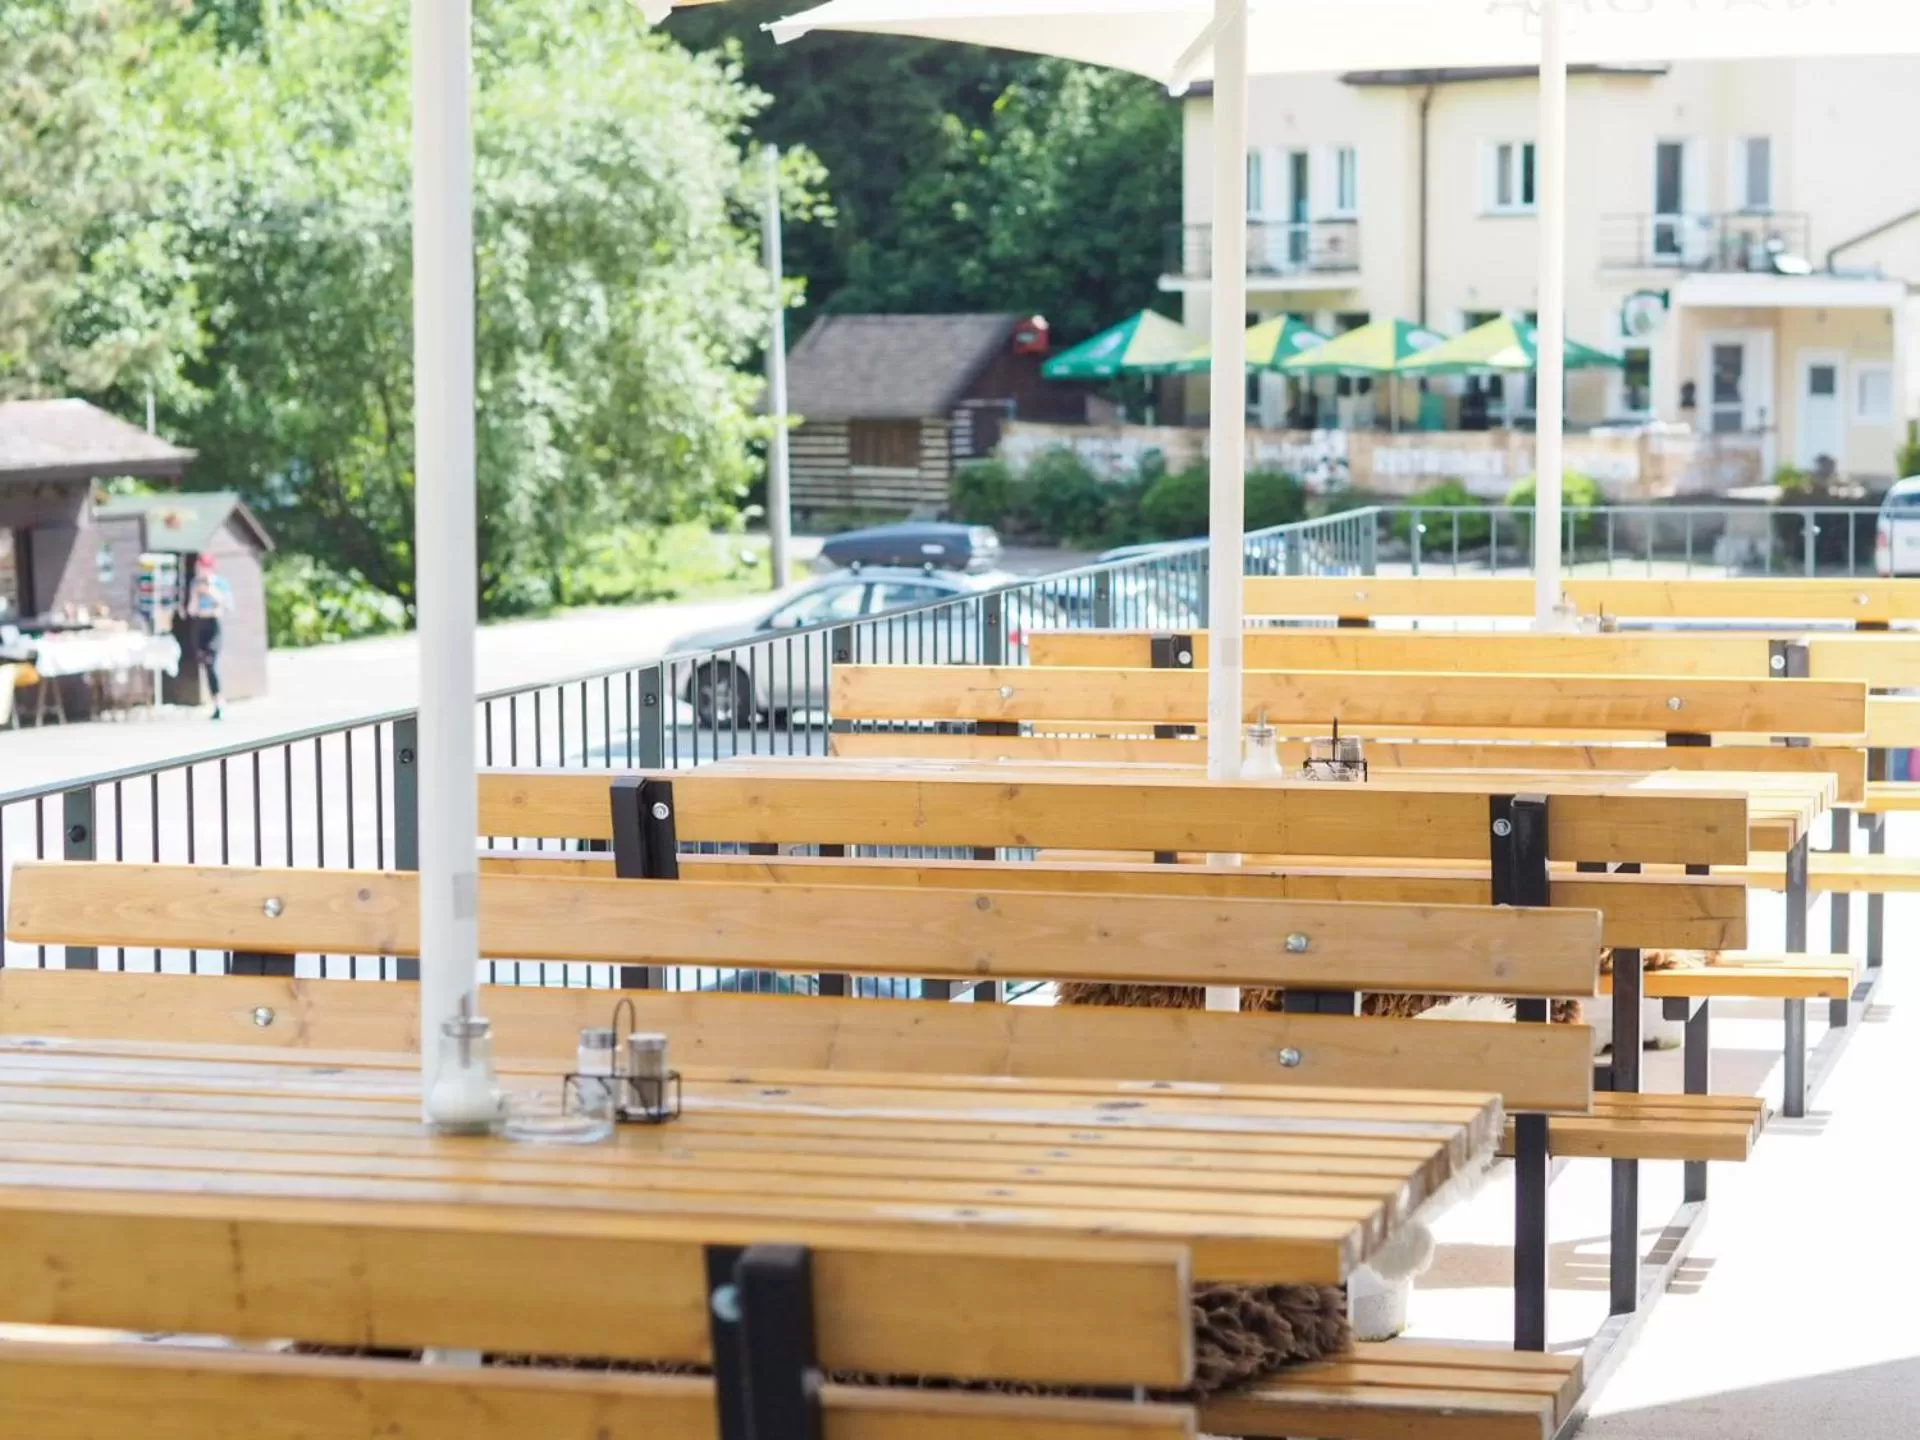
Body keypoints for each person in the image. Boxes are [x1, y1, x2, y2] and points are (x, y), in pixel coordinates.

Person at [187, 554, 235, 719]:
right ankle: (216, 701)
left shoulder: (220, 583)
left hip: (213, 623)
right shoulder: (195, 583)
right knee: (205, 664)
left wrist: (211, 592)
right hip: (200, 623)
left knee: (211, 662)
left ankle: (219, 700)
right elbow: (191, 610)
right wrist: (196, 594)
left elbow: (228, 605)